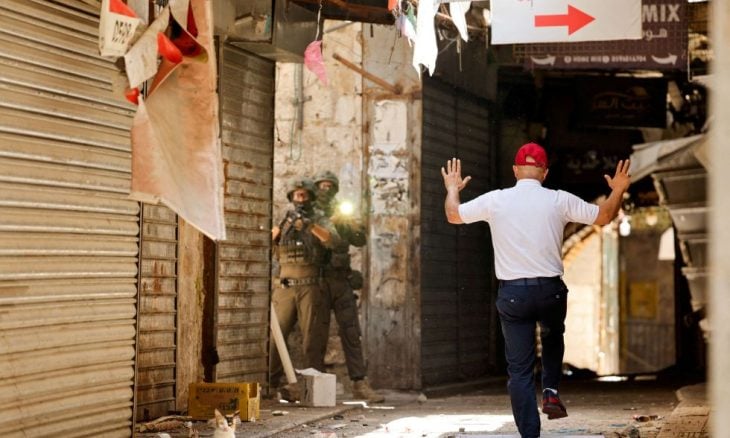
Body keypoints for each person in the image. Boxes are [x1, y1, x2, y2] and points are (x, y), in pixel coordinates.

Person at [441, 143, 631, 438]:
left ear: (515, 170)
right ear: (544, 173)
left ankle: (530, 434)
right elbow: (604, 216)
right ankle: (551, 390)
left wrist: (453, 189)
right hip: (549, 291)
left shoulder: (496, 200)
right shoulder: (559, 200)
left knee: (519, 371)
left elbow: (454, 215)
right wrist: (618, 190)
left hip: (513, 295)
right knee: (553, 334)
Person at [313, 170, 385, 403]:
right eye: (322, 186)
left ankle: (359, 383)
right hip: (319, 282)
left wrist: (350, 223)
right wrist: (330, 222)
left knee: (352, 333)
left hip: (341, 281)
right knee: (316, 336)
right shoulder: (311, 213)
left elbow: (359, 240)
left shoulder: (340, 211)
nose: (326, 190)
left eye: (330, 186)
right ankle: (314, 387)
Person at [270, 177, 340, 401]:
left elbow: (332, 240)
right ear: (291, 197)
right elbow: (268, 242)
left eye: (304, 194)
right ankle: (270, 386)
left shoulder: (319, 219)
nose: (300, 198)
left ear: (310, 196)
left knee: (312, 341)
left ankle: (313, 391)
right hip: (285, 287)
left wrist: (310, 226)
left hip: (310, 286)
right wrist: (281, 228)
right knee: (275, 338)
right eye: (297, 195)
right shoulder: (284, 219)